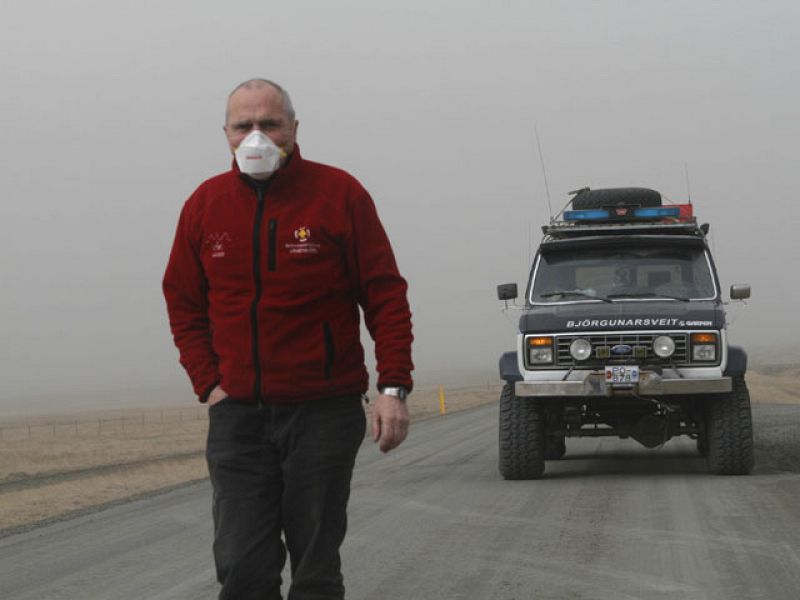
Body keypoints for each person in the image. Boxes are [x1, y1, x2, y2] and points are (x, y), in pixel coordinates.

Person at [163, 78, 414, 600]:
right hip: (238, 418)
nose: (257, 136)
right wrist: (208, 383)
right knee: (241, 568)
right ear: (226, 134)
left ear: (294, 129)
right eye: (243, 125)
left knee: (315, 570)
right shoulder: (204, 206)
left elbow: (384, 294)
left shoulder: (340, 194)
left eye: (270, 124)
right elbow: (183, 301)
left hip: (323, 411)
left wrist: (393, 387)